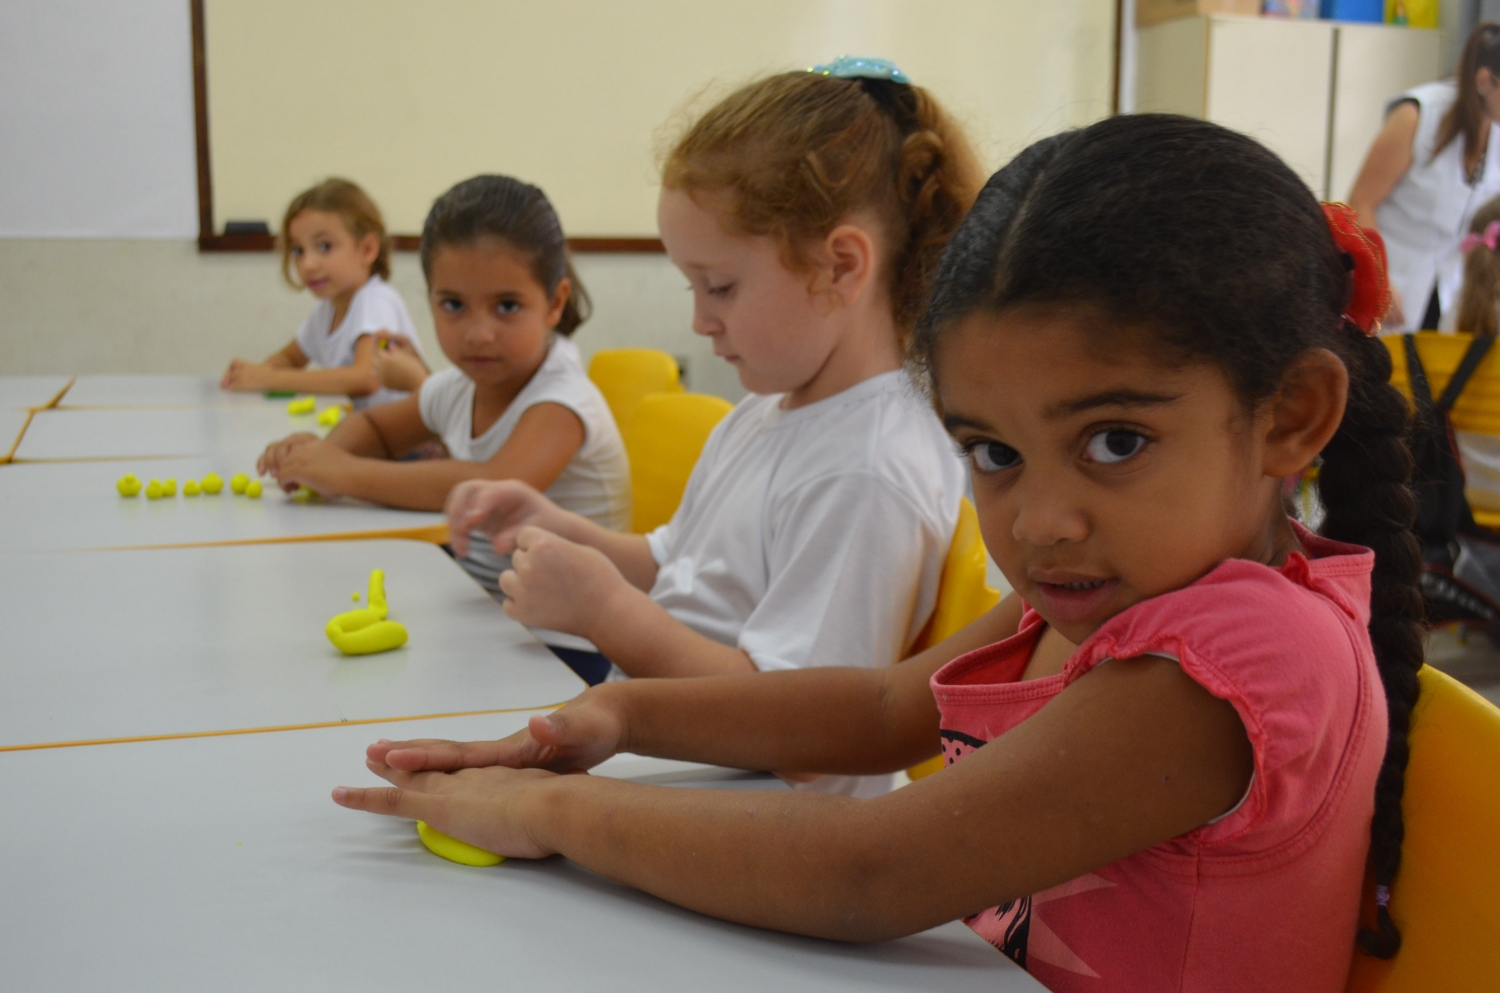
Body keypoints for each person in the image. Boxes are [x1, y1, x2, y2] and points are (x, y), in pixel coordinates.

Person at [334, 115, 1424, 993]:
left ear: (1291, 417)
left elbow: (874, 868)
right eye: (993, 451)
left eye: (1116, 441)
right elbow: (880, 705)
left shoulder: (1244, 655)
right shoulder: (1109, 591)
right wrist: (614, 720)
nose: (1040, 519)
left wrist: (546, 815)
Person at [442, 60, 979, 796]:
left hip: (762, 821)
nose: (700, 320)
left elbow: (802, 736)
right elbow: (679, 564)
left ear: (842, 266)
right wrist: (568, 532)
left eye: (720, 285)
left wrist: (605, 610)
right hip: (679, 762)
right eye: (691, 286)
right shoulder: (766, 410)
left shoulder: (867, 468)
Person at [257, 175, 630, 601]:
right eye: (452, 305)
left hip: (570, 641)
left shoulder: (564, 400)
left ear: (555, 303)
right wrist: (322, 457)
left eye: (507, 306)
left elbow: (491, 485)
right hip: (484, 603)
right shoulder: (456, 387)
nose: (478, 333)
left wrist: (342, 472)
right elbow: (377, 429)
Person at [220, 178, 427, 406]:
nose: (308, 264)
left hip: (406, 441)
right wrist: (255, 374)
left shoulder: (376, 300)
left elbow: (367, 378)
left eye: (324, 246)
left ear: (367, 250)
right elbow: (289, 358)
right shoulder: (326, 311)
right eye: (298, 250)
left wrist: (269, 378)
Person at [1349, 22, 1500, 331]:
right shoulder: (1417, 115)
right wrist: (1379, 279)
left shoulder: (1495, 130)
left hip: (1449, 294)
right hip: (1393, 283)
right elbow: (1361, 203)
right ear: (1485, 81)